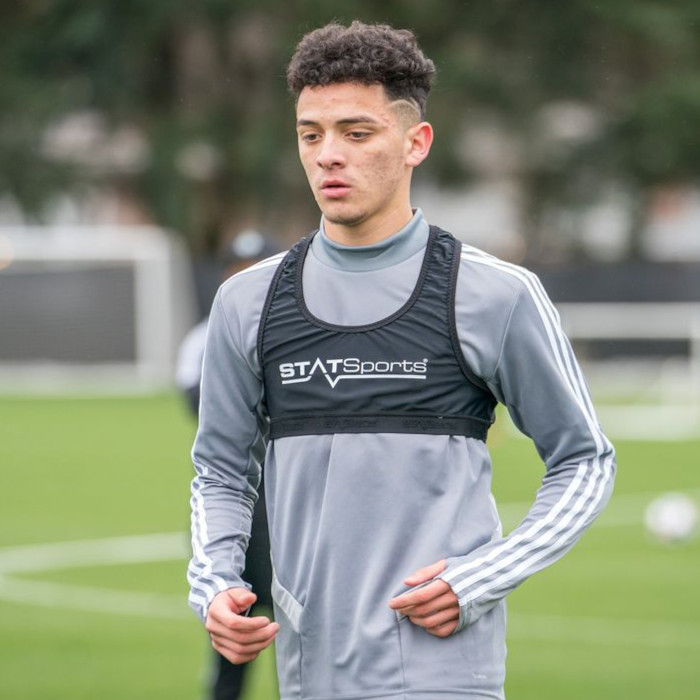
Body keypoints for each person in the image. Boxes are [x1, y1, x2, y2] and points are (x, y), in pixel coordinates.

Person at [187, 21, 616, 700]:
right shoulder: (247, 301)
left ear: (416, 142)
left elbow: (585, 462)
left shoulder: (495, 294)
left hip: (444, 673)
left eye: (357, 133)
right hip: (308, 673)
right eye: (310, 135)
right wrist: (214, 584)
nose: (329, 155)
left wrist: (481, 577)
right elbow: (219, 469)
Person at [178, 230, 278, 700]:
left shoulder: (303, 329)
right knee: (235, 619)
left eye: (256, 266)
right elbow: (201, 407)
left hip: (296, 494)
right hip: (242, 495)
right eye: (237, 268)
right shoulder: (206, 335)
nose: (246, 276)